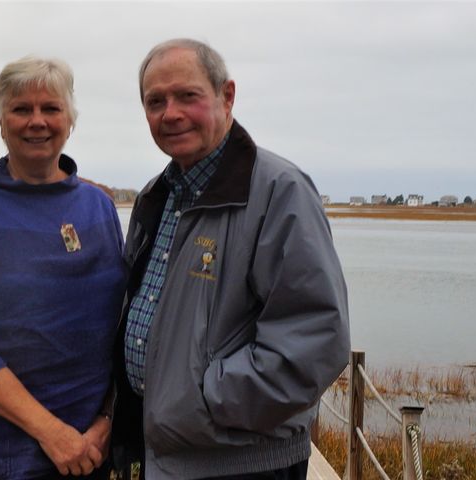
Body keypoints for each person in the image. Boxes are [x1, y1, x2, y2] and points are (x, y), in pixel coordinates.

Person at [111, 39, 351, 479]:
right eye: (155, 101)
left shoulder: (279, 191)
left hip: (239, 463)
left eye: (187, 96)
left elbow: (314, 339)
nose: (170, 113)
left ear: (227, 96)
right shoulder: (156, 196)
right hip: (164, 457)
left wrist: (205, 400)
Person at [0, 56, 126, 479]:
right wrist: (52, 433)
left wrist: (107, 421)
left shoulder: (99, 208)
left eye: (51, 108)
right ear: (1, 123)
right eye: (21, 109)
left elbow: (121, 329)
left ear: (70, 120)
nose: (37, 121)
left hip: (87, 452)